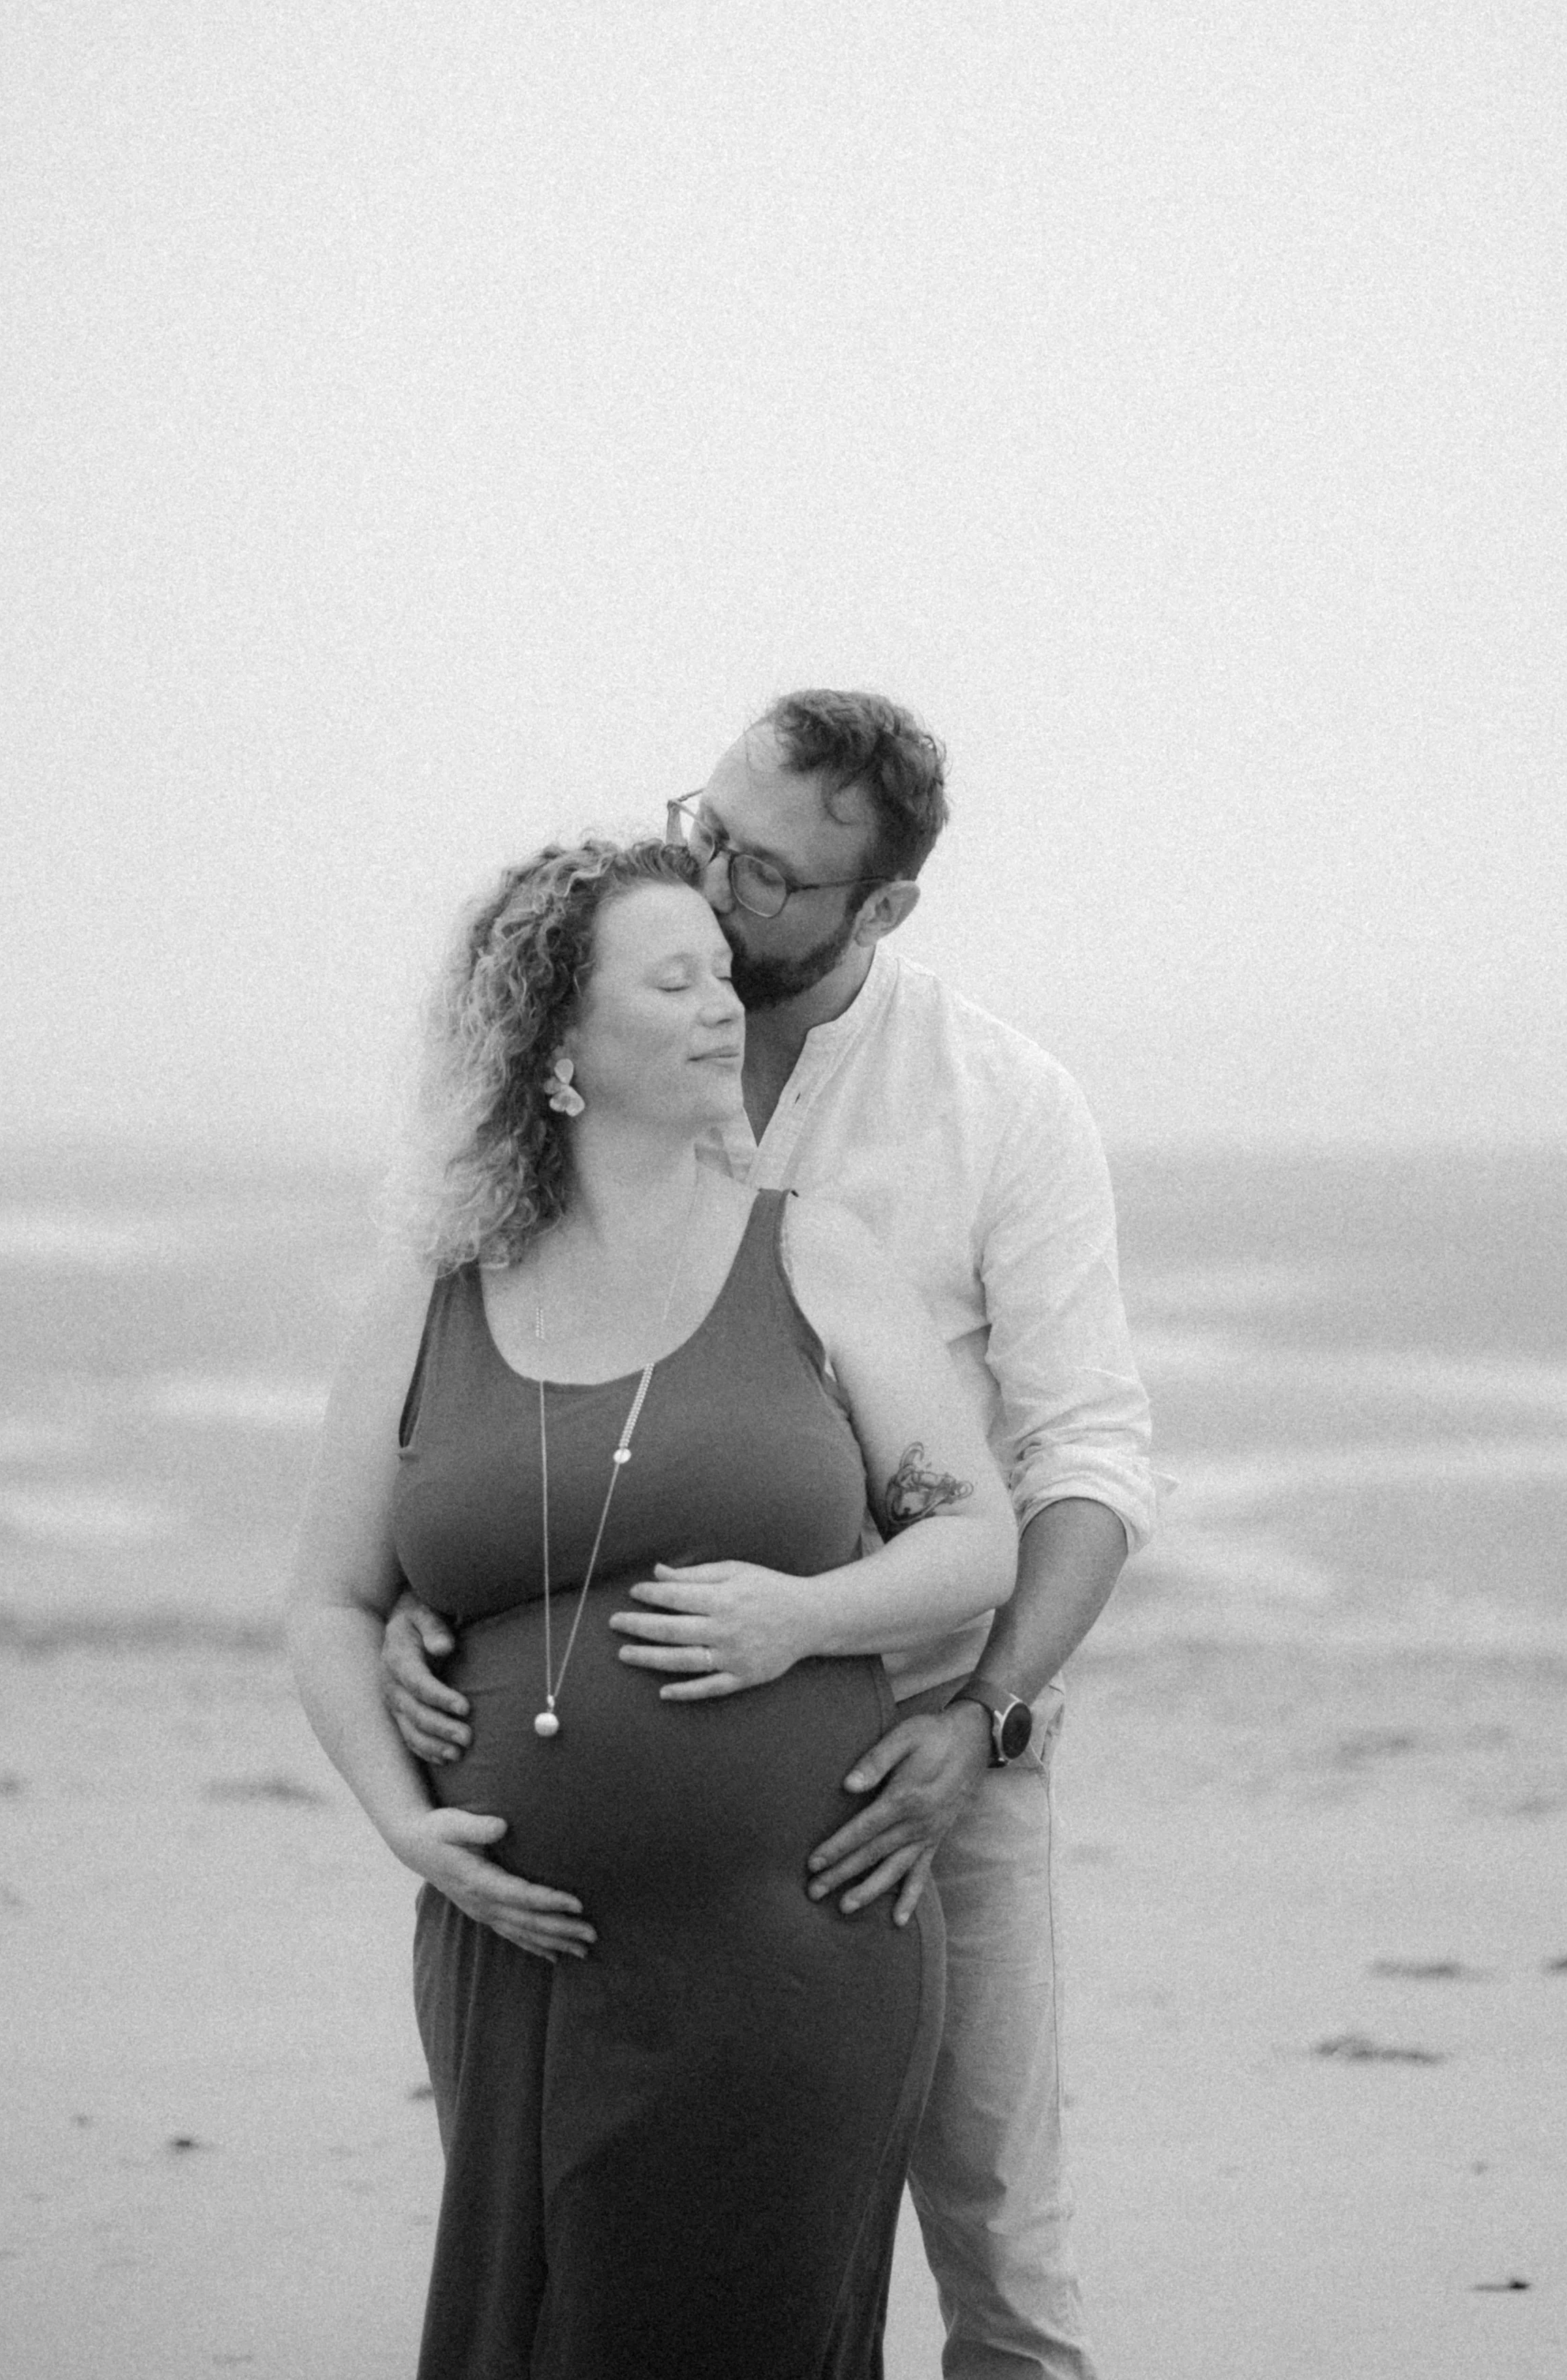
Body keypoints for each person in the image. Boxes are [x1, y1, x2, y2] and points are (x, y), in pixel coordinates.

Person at [385, 691, 1159, 2380]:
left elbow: (1086, 1458)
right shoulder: (607, 1020)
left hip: (917, 1770)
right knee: (595, 2281)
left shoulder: (994, 1101)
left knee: (998, 2257)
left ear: (879, 907)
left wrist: (983, 1721)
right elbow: (471, 1384)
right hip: (577, 1875)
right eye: (709, 828)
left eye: (774, 875)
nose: (716, 886)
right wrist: (427, 1596)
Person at [286, 836, 1024, 2380]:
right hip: (517, 1955)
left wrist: (800, 1620)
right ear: (555, 1046)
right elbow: (330, 1600)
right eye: (670, 978)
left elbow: (973, 1541)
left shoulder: (808, 1250)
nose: (717, 1005)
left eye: (720, 973)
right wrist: (402, 1825)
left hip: (796, 1949)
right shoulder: (435, 1294)